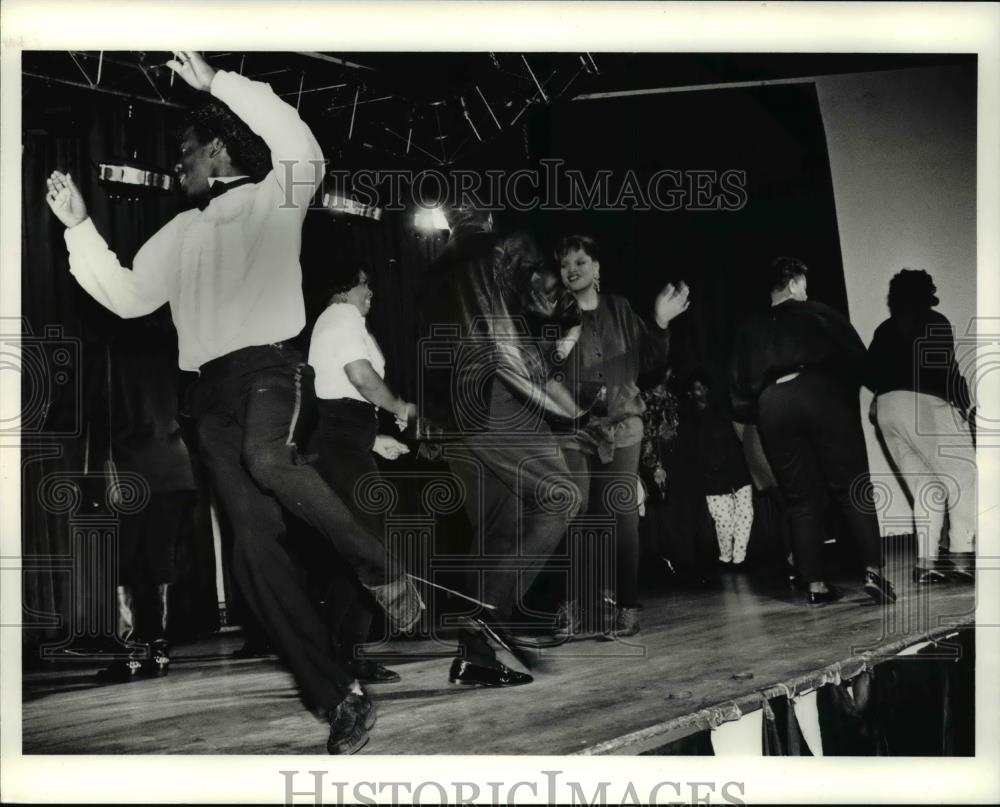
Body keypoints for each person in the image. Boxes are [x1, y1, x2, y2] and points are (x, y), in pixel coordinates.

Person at [45, 51, 419, 754]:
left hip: (270, 373)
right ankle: (340, 696)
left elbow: (301, 143)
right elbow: (126, 295)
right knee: (252, 551)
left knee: (268, 458)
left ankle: (379, 566)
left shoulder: (275, 197)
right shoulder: (182, 233)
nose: (178, 162)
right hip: (207, 398)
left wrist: (218, 84)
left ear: (217, 147)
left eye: (186, 150)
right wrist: (78, 227)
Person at [417, 207, 584, 687]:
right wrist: (569, 321)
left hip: (453, 416)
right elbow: (550, 300)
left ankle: (476, 659)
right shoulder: (505, 249)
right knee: (561, 495)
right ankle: (491, 614)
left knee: (498, 531)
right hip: (496, 396)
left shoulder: (431, 271)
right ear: (486, 214)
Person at [729, 256, 896, 606]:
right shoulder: (816, 311)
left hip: (772, 403)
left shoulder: (748, 328)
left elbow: (739, 393)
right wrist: (876, 385)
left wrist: (757, 411)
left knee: (800, 499)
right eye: (803, 283)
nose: (806, 290)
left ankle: (815, 585)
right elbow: (856, 355)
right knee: (852, 486)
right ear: (792, 283)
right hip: (819, 391)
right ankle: (874, 572)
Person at [551, 234, 690, 641]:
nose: (571, 269)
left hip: (623, 425)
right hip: (575, 430)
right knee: (573, 513)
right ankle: (572, 607)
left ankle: (627, 606)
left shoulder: (620, 308)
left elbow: (650, 361)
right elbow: (544, 371)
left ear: (596, 268)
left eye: (579, 261)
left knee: (622, 518)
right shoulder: (554, 314)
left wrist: (661, 321)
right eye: (564, 264)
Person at [308, 263, 415, 684]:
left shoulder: (340, 320)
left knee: (361, 545)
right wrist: (399, 408)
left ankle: (344, 653)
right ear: (344, 288)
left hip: (346, 441)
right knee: (366, 545)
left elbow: (340, 391)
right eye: (363, 283)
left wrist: (372, 440)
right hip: (339, 443)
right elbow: (361, 377)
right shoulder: (341, 315)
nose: (370, 290)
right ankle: (341, 653)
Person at [865, 269, 976, 583]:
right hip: (924, 404)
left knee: (927, 490)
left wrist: (885, 393)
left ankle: (927, 564)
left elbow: (868, 371)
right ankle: (962, 558)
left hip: (887, 410)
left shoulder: (884, 329)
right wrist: (965, 406)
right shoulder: (934, 321)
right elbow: (946, 370)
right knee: (964, 477)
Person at [683, 370, 754, 566]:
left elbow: (738, 438)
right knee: (723, 522)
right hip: (712, 477)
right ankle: (726, 557)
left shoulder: (723, 410)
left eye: (703, 386)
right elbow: (693, 452)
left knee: (745, 514)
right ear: (690, 393)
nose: (702, 391)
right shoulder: (691, 421)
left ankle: (740, 559)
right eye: (697, 389)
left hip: (737, 470)